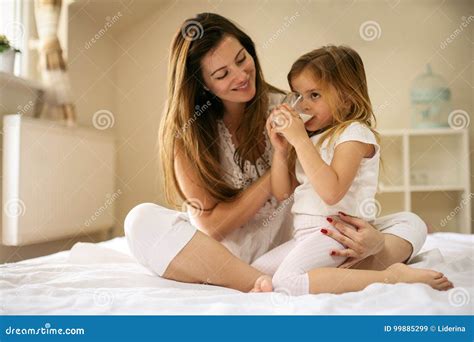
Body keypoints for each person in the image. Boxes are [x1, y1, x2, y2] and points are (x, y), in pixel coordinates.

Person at [124, 13, 444, 294]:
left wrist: (374, 240)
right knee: (140, 220)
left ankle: (302, 275)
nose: (240, 75)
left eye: (241, 58)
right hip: (224, 257)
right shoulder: (188, 134)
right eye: (222, 74)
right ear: (202, 86)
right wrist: (280, 157)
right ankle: (259, 281)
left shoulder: (288, 107)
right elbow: (213, 227)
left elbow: (331, 177)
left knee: (409, 222)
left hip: (299, 243)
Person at [250, 46, 453, 295]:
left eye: (314, 95)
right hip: (306, 234)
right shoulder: (309, 140)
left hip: (335, 231)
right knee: (254, 271)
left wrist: (300, 141)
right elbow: (283, 195)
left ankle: (393, 277)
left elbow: (332, 192)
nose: (303, 105)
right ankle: (356, 274)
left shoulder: (353, 134)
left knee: (287, 281)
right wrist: (281, 150)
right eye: (298, 95)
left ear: (347, 97)